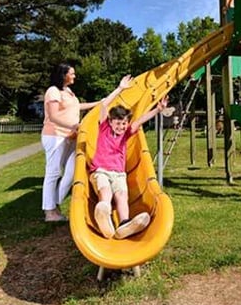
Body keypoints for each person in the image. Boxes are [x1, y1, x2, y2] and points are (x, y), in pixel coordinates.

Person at [90, 75, 169, 239]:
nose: (121, 127)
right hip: (101, 171)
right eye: (118, 123)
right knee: (105, 191)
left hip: (119, 173)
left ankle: (124, 223)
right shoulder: (104, 128)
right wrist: (120, 88)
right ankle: (103, 212)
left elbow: (140, 120)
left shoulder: (126, 133)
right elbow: (104, 104)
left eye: (124, 123)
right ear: (110, 122)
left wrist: (158, 110)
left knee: (122, 196)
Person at [40, 63, 101, 222]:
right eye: (72, 73)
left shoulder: (68, 91)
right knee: (53, 172)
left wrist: (98, 103)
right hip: (55, 136)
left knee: (72, 170)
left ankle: (56, 202)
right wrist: (74, 126)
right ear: (63, 75)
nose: (74, 76)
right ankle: (49, 212)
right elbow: (53, 116)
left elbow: (76, 107)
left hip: (70, 136)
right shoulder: (53, 91)